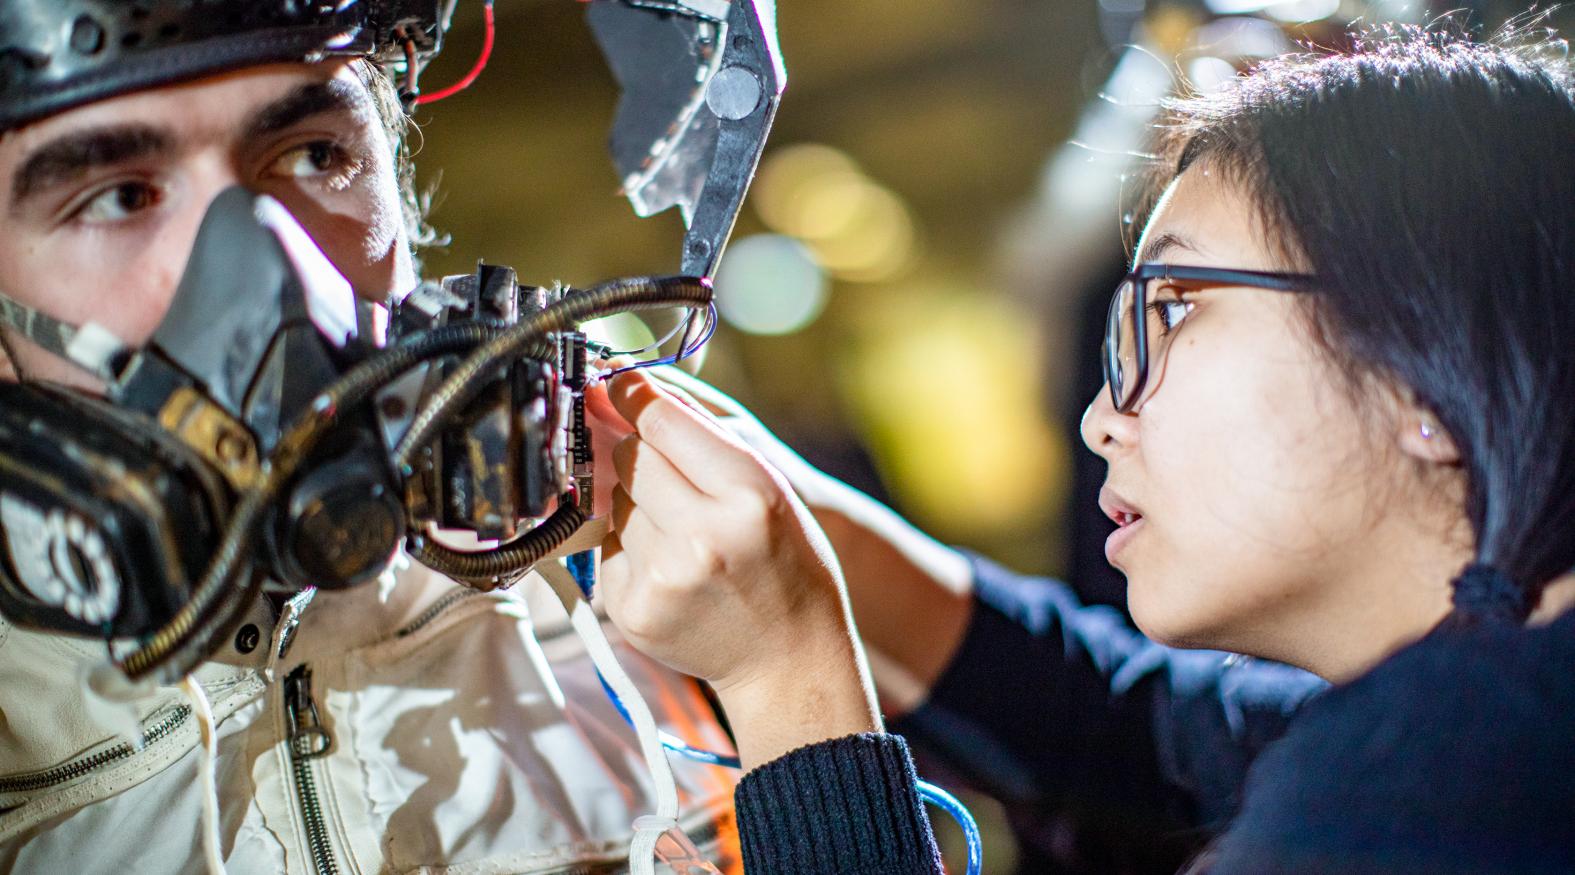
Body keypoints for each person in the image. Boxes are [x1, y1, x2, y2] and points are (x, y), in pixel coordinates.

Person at [591, 23, 1575, 874]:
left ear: (1429, 363)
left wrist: (786, 687)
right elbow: (1099, 722)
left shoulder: (1446, 784)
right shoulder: (1475, 717)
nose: (1103, 415)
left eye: (1177, 310)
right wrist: (760, 494)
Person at [0, 5, 741, 872]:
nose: (276, 271)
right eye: (120, 197)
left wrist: (787, 681)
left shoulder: (636, 484)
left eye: (316, 155)